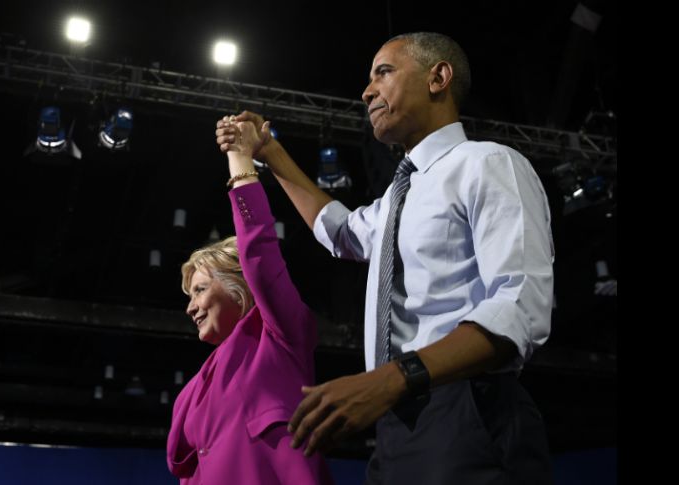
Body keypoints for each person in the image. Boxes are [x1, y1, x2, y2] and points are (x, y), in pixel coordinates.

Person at [216, 32, 555, 484]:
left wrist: (394, 377)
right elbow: (340, 231)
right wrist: (269, 151)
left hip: (468, 408)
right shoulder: (399, 196)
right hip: (394, 421)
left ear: (438, 77)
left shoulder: (488, 163)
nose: (366, 91)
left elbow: (520, 306)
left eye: (383, 72)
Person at [166, 118, 334, 484]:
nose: (190, 307)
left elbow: (258, 250)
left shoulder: (281, 337)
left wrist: (240, 160)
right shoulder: (192, 392)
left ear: (238, 286)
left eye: (200, 290)